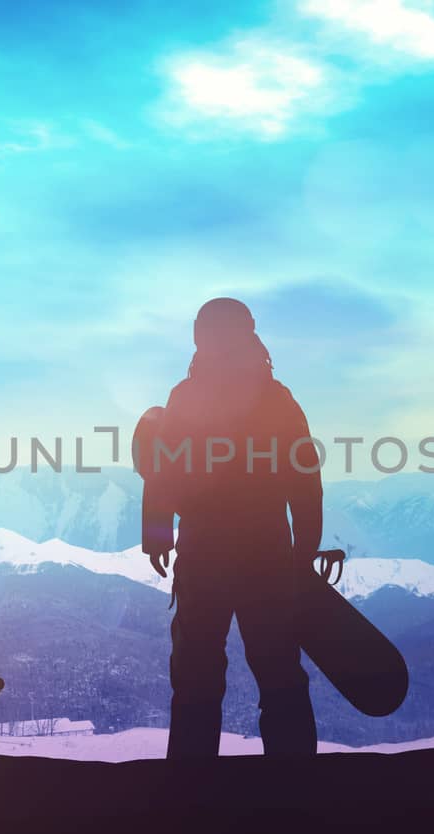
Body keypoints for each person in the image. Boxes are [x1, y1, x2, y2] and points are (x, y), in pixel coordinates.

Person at [145, 297, 324, 758]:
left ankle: (189, 787)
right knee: (279, 670)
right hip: (265, 551)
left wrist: (158, 534)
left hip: (205, 551)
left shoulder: (186, 397)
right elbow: (304, 475)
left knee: (196, 673)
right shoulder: (275, 397)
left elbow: (164, 468)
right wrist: (304, 545)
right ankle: (297, 784)